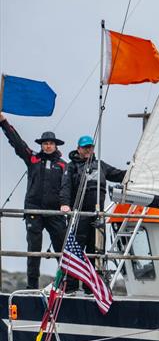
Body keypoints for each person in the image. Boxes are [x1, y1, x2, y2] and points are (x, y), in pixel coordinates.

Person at [0, 112, 67, 289]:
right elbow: (17, 143)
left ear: (55, 146)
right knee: (34, 250)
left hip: (55, 212)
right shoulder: (33, 159)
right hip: (34, 211)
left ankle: (66, 285)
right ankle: (32, 287)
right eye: (45, 143)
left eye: (51, 143)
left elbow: (69, 189)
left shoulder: (63, 165)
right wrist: (4, 122)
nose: (47, 146)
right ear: (42, 145)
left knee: (62, 249)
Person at [59, 135, 126, 289]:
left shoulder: (101, 165)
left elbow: (118, 174)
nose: (88, 150)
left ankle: (92, 287)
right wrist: (64, 204)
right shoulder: (71, 167)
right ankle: (71, 286)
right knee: (75, 249)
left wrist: (134, 172)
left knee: (95, 251)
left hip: (97, 216)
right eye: (85, 147)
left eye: (90, 147)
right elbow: (65, 187)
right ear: (79, 149)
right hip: (80, 214)